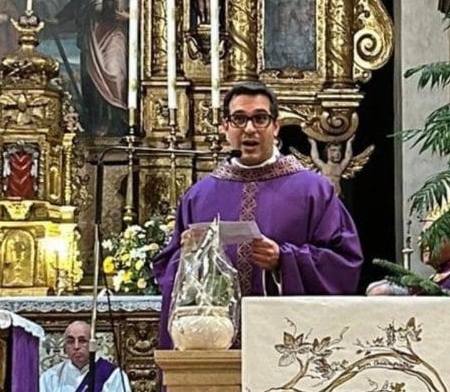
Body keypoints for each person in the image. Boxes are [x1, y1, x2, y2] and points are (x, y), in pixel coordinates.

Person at [152, 82, 364, 349]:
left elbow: (344, 263)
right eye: (239, 119)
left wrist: (284, 260)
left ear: (275, 126)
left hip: (287, 342)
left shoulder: (313, 190)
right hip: (213, 349)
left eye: (260, 118)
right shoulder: (199, 196)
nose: (249, 129)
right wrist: (188, 257)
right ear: (225, 127)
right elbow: (168, 272)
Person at [58, 0, 136, 137]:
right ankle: (98, 121)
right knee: (93, 80)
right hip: (94, 36)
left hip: (116, 37)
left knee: (117, 75)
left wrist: (127, 16)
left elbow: (140, 9)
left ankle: (117, 121)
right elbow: (76, 3)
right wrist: (91, 7)